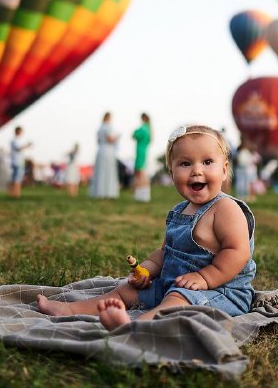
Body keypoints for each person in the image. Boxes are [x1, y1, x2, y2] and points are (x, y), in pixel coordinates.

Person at [37, 124, 256, 331]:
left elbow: (237, 252)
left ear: (225, 170)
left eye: (207, 162)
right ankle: (69, 310)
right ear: (172, 173)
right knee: (126, 291)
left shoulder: (225, 208)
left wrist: (206, 277)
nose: (196, 171)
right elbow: (164, 253)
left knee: (177, 300)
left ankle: (137, 327)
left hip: (221, 292)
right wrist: (145, 270)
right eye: (185, 164)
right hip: (172, 284)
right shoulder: (179, 210)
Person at [89, 113, 120, 199]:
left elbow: (98, 141)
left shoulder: (99, 128)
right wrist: (117, 137)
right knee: (108, 171)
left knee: (100, 172)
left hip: (101, 150)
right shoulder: (107, 127)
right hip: (108, 151)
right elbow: (110, 139)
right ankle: (107, 192)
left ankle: (99, 191)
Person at [8, 126, 33, 199]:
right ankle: (16, 194)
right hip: (17, 162)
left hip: (16, 161)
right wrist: (27, 145)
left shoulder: (15, 140)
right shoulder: (14, 140)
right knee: (17, 178)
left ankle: (12, 194)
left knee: (14, 178)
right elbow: (19, 148)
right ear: (18, 131)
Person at [132, 113, 152, 203]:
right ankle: (144, 194)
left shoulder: (143, 128)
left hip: (140, 150)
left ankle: (139, 193)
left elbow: (134, 135)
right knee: (143, 171)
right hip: (144, 150)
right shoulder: (149, 128)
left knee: (139, 172)